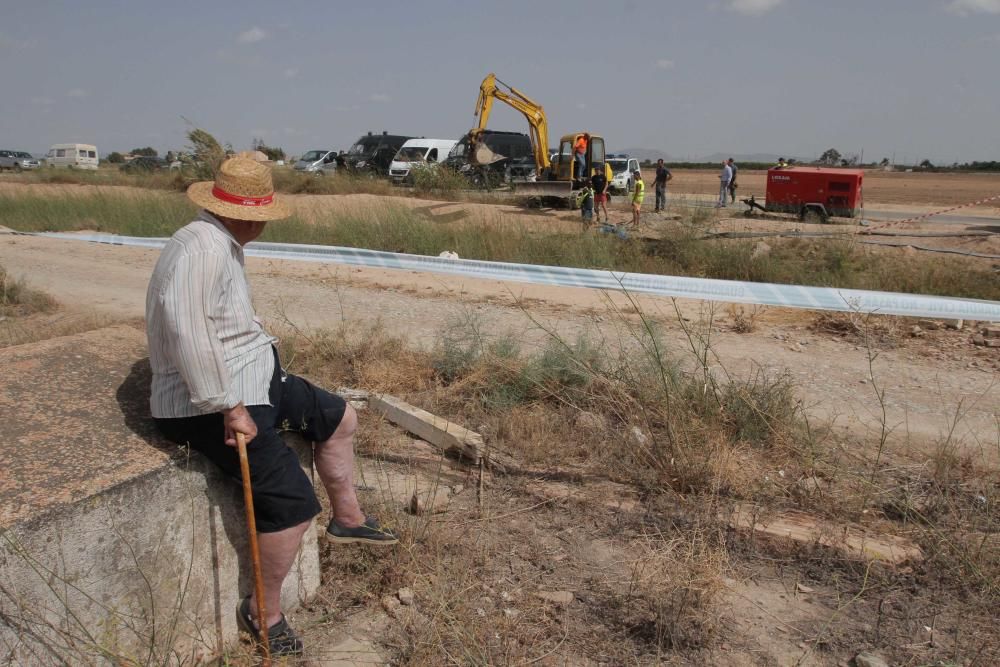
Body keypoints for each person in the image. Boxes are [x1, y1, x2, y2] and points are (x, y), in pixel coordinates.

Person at [145, 155, 397, 658]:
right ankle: (264, 612)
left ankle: (348, 519)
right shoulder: (202, 250)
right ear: (246, 213)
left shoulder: (221, 241)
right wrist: (228, 407)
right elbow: (189, 333)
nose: (264, 224)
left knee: (339, 417)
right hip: (212, 401)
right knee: (290, 503)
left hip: (256, 375)